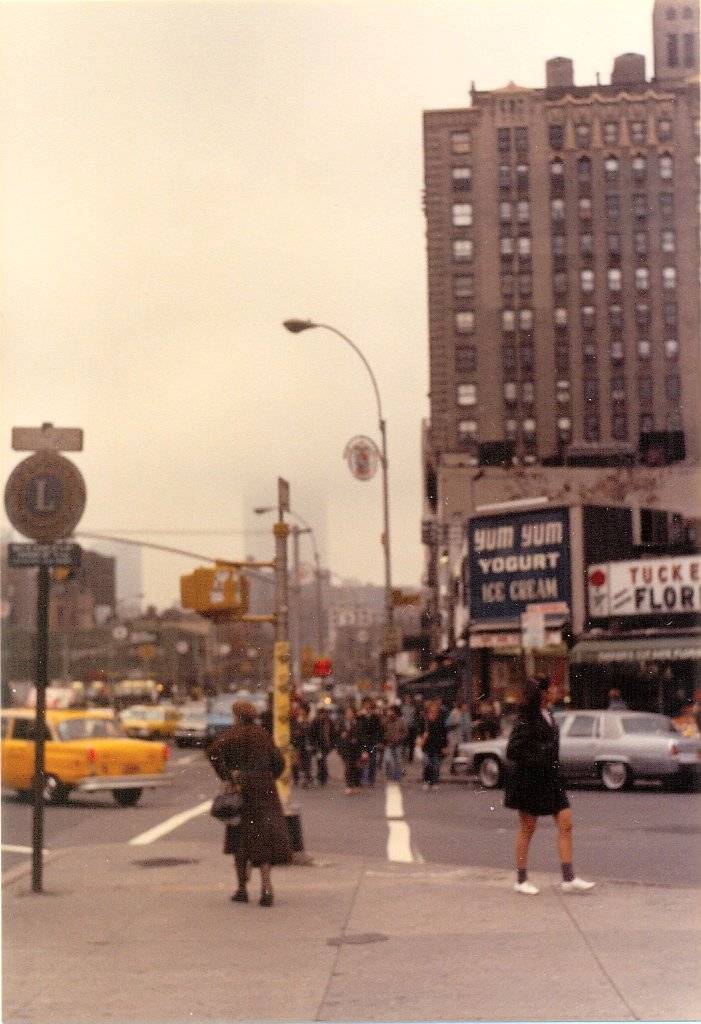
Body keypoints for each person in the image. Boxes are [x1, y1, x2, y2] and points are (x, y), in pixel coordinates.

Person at [505, 677, 595, 896]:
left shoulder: (550, 714)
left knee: (566, 822)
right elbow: (512, 750)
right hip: (529, 780)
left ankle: (568, 877)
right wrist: (541, 755)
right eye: (552, 688)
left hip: (550, 778)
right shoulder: (526, 718)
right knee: (528, 828)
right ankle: (521, 879)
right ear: (542, 693)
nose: (556, 691)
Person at [206, 700, 291, 907]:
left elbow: (212, 752)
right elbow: (279, 762)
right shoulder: (262, 734)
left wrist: (227, 776)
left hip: (241, 789)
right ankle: (266, 887)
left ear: (236, 716)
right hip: (264, 790)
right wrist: (270, 776)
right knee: (264, 839)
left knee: (239, 839)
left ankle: (242, 889)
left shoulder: (233, 734)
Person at [420, 698, 448, 790]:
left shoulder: (440, 719)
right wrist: (421, 737)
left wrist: (445, 746)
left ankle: (435, 781)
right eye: (431, 709)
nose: (433, 710)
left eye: (434, 708)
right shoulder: (425, 720)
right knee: (427, 763)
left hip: (437, 745)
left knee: (436, 764)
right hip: (427, 745)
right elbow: (420, 731)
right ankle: (426, 781)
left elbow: (444, 733)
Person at [357, 697, 384, 787]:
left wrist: (379, 741)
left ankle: (371, 780)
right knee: (362, 760)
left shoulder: (375, 716)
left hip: (372, 742)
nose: (367, 706)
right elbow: (358, 729)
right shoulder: (360, 716)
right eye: (366, 704)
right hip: (362, 742)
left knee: (372, 761)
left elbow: (379, 729)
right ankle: (360, 780)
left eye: (369, 704)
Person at [337, 705, 362, 794]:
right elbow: (338, 735)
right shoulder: (342, 723)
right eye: (347, 713)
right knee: (347, 767)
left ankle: (356, 785)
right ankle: (349, 785)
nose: (349, 714)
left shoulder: (357, 723)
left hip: (356, 749)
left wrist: (363, 750)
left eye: (351, 713)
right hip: (345, 749)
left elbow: (361, 736)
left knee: (356, 767)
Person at [311, 706, 336, 786]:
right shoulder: (316, 722)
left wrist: (332, 744)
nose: (323, 715)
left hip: (325, 745)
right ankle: (322, 777)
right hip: (319, 745)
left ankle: (322, 777)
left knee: (322, 761)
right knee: (321, 761)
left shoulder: (328, 722)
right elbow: (313, 734)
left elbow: (332, 733)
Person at [383, 704, 408, 781]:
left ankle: (397, 777)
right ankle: (389, 774)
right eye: (389, 711)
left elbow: (405, 732)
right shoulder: (385, 721)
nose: (390, 713)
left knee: (397, 761)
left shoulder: (401, 721)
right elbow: (382, 730)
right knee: (387, 760)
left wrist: (400, 737)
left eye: (392, 711)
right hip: (388, 744)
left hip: (398, 744)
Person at [290, 704, 314, 788]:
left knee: (307, 763)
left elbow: (313, 734)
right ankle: (298, 778)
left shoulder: (310, 721)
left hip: (308, 745)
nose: (300, 711)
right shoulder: (298, 721)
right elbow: (294, 733)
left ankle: (307, 779)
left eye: (301, 710)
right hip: (299, 745)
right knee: (298, 763)